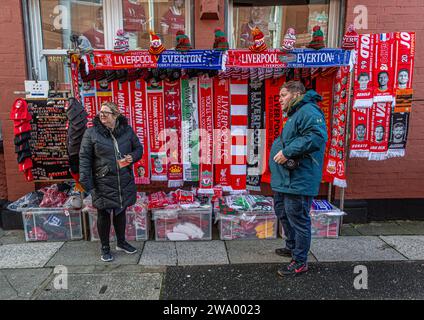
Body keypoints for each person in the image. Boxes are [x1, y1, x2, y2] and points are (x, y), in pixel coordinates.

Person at [270, 81, 327, 276]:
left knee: (298, 219)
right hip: (286, 179)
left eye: (283, 95)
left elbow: (316, 137)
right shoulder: (297, 114)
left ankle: (300, 261)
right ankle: (293, 247)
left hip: (298, 179)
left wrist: (287, 152)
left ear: (296, 94)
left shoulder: (309, 111)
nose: (280, 100)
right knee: (283, 212)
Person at [80, 102, 143, 262]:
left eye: (106, 113)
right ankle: (105, 247)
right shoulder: (91, 133)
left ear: (116, 116)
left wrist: (132, 157)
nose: (102, 115)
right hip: (102, 181)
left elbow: (138, 149)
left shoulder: (127, 131)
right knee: (104, 214)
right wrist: (87, 184)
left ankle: (121, 242)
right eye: (100, 112)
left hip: (123, 180)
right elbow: (84, 159)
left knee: (121, 211)